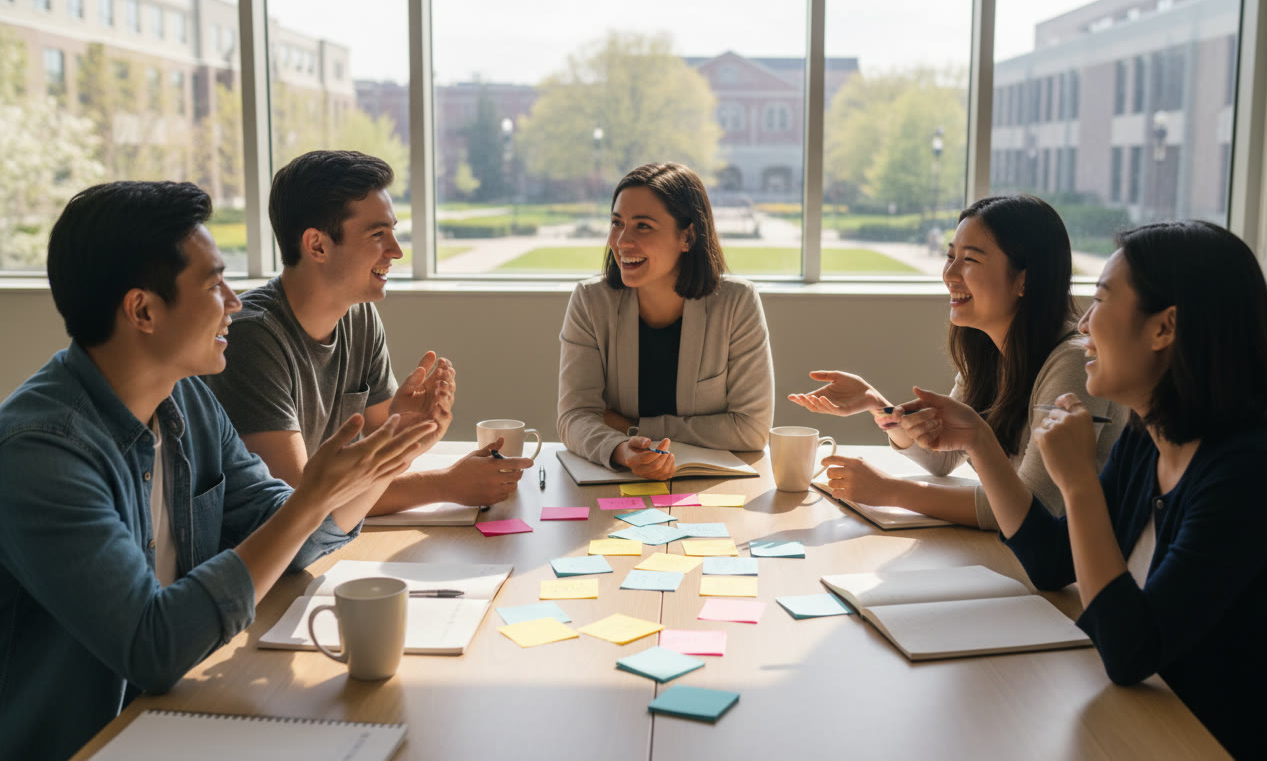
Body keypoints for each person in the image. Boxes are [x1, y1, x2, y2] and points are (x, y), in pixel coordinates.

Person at [0, 181, 438, 760]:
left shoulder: (187, 403)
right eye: (213, 284)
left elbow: (285, 537)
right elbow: (151, 644)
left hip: (177, 713)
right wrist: (310, 501)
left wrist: (378, 461)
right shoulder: (40, 453)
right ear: (143, 310)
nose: (235, 301)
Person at [920, 220, 1267, 757]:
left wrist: (1078, 484)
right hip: (1160, 718)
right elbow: (1052, 562)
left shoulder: (1252, 473)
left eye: (1101, 301)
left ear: (1164, 328)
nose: (1084, 327)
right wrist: (979, 442)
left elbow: (1130, 650)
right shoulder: (1149, 439)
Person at [204, 150, 531, 513]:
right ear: (317, 245)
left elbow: (376, 456)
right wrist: (444, 484)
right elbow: (296, 505)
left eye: (393, 231)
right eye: (378, 234)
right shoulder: (252, 338)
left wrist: (406, 434)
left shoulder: (359, 316)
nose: (396, 251)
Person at [791, 195, 1125, 529]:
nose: (949, 274)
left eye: (969, 260)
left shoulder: (1073, 361)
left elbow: (1034, 507)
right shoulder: (990, 352)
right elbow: (944, 456)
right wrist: (879, 406)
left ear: (1025, 279)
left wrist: (891, 492)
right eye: (950, 256)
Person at [557, 162, 773, 480]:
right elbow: (574, 417)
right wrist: (620, 450)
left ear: (687, 236)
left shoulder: (737, 302)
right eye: (617, 223)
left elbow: (751, 430)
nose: (622, 241)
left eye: (642, 226)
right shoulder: (590, 301)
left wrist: (634, 427)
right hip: (621, 479)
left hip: (713, 487)